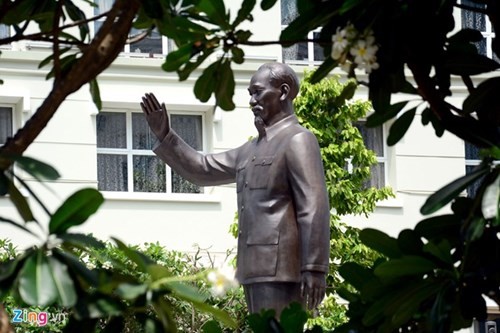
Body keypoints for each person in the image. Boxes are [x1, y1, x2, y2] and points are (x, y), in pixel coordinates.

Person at [140, 62, 330, 317]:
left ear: (283, 92)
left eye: (257, 92)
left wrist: (314, 268)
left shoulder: (297, 139)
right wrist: (166, 135)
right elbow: (202, 168)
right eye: (249, 94)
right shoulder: (250, 150)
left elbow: (313, 206)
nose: (251, 101)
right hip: (254, 269)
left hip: (282, 271)